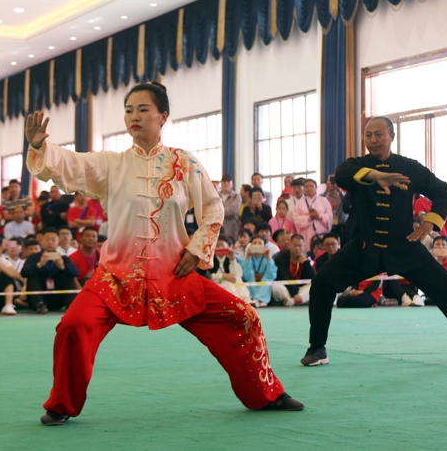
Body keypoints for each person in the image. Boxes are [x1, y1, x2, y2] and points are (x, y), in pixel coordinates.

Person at [25, 82, 302, 425]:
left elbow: (213, 210)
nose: (134, 117)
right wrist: (41, 145)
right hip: (116, 277)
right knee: (73, 325)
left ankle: (266, 394)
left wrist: (197, 248)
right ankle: (61, 404)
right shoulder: (111, 164)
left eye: (143, 109)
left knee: (243, 316)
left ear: (163, 116)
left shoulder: (184, 163)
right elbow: (70, 163)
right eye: (128, 110)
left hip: (175, 276)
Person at [302, 116, 447, 367]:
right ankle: (317, 348)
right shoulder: (357, 165)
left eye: (378, 135)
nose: (372, 140)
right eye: (368, 135)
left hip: (404, 246)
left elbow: (442, 192)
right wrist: (374, 175)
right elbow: (341, 176)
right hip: (365, 247)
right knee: (321, 282)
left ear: (391, 137)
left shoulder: (409, 167)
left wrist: (430, 223)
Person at [21, 227, 80, 313]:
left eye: (53, 239)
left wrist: (63, 267)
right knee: (32, 274)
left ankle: (71, 305)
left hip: (58, 298)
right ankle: (40, 304)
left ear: (58, 241)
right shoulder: (34, 257)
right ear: (41, 241)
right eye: (47, 239)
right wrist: (39, 265)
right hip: (40, 297)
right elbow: (24, 273)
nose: (50, 242)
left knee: (69, 274)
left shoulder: (63, 258)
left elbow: (76, 272)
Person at [272, 234, 314, 306]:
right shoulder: (280, 258)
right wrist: (295, 293)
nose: (297, 248)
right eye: (295, 245)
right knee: (275, 287)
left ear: (303, 246)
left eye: (300, 246)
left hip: (301, 289)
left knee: (313, 286)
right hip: (286, 289)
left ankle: (291, 302)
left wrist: (306, 263)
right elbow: (284, 277)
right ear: (290, 245)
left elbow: (313, 277)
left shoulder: (306, 258)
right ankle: (296, 300)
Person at [206, 236, 251, 303]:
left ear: (228, 247)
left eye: (222, 245)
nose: (220, 247)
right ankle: (236, 301)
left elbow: (238, 275)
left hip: (231, 281)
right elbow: (208, 276)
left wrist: (232, 260)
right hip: (217, 282)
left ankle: (246, 299)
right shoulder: (210, 259)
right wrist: (223, 276)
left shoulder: (232, 257)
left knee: (237, 279)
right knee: (226, 283)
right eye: (217, 245)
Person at [236, 235, 277, 307]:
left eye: (260, 243)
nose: (257, 245)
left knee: (267, 277)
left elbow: (272, 275)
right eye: (254, 243)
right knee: (251, 274)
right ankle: (255, 299)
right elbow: (246, 276)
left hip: (264, 284)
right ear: (251, 246)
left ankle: (258, 299)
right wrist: (248, 257)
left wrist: (268, 258)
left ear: (264, 246)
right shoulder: (246, 258)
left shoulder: (268, 258)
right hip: (251, 284)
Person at [293, 179, 332, 253]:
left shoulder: (324, 200)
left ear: (316, 188)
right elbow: (296, 219)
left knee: (322, 254)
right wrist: (309, 218)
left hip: (321, 234)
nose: (309, 188)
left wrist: (319, 216)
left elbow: (329, 216)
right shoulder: (299, 203)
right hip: (306, 234)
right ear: (304, 189)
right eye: (306, 187)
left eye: (311, 186)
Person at [219, 174, 241, 242]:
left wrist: (219, 211)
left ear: (232, 184)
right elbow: (212, 209)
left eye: (228, 181)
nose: (226, 184)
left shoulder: (236, 196)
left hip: (231, 226)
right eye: (224, 181)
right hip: (217, 224)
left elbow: (233, 210)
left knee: (230, 243)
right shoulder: (215, 195)